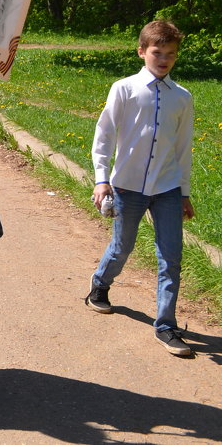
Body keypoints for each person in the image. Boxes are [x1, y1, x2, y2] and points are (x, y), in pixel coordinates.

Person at [84, 20, 195, 356]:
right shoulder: (125, 88)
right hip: (127, 186)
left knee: (170, 257)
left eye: (171, 54)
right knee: (122, 246)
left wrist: (185, 192)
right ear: (142, 51)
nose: (164, 60)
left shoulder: (183, 98)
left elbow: (183, 147)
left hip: (167, 188)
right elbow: (104, 135)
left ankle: (166, 326)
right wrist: (101, 179)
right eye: (157, 52)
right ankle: (99, 286)